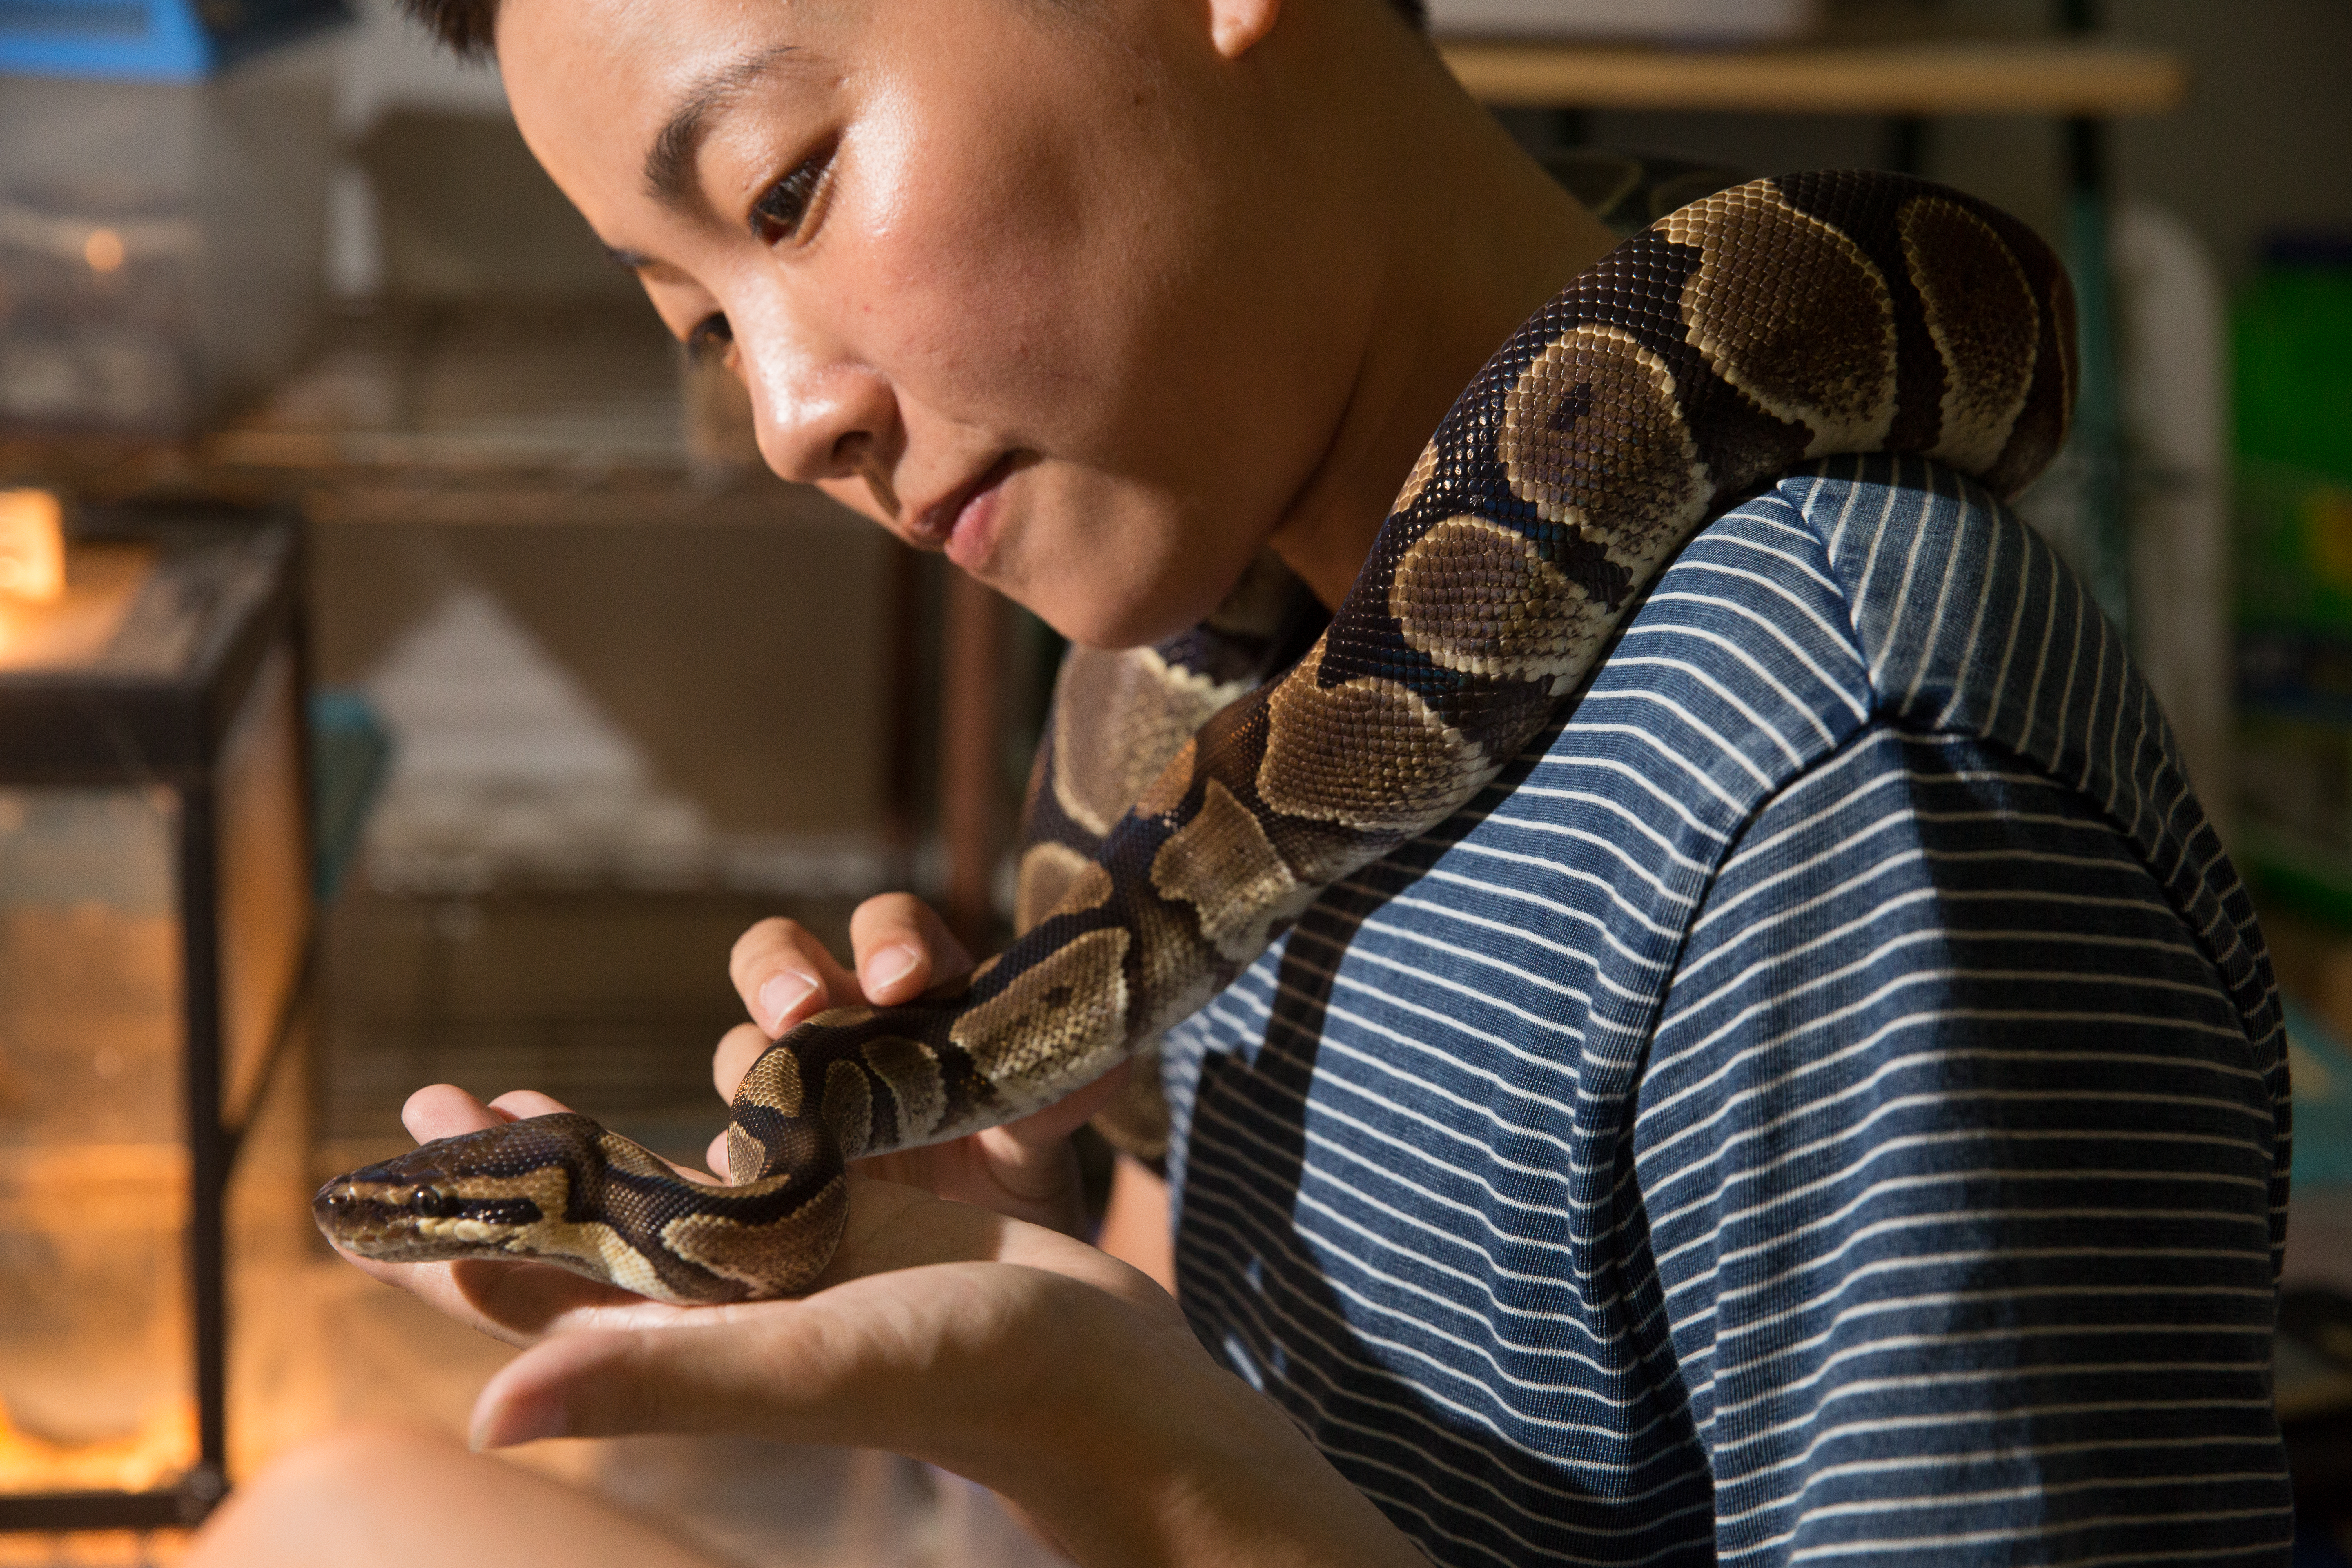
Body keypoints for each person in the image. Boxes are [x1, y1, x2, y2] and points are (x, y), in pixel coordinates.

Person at [189, 0, 2296, 1561]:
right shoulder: (1185, 641)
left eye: (788, 196)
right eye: (697, 326)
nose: (787, 420)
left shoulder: (1842, 772)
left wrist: (1149, 1470)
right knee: (331, 1516)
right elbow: (1220, 1310)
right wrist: (1015, 1242)